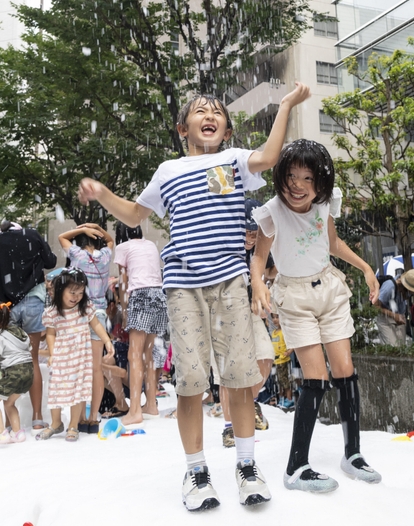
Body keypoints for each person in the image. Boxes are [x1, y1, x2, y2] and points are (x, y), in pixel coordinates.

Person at [78, 82, 310, 510]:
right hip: (183, 286)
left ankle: (246, 466)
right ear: (182, 128)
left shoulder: (234, 161)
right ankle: (197, 472)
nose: (210, 116)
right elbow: (134, 213)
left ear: (225, 130)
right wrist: (103, 194)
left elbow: (270, 156)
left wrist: (286, 106)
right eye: (200, 112)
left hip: (230, 283)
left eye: (217, 113)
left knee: (241, 380)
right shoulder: (167, 170)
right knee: (189, 383)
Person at [250, 139, 381, 494]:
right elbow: (260, 257)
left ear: (320, 183)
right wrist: (258, 285)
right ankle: (296, 466)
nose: (297, 184)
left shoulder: (326, 204)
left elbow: (333, 243)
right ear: (280, 177)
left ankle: (353, 454)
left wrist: (366, 268)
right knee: (316, 376)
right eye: (291, 175)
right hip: (293, 296)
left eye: (307, 178)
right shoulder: (273, 210)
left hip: (330, 290)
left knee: (344, 369)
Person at [217, 198, 275, 448]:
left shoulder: (260, 249)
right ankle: (230, 427)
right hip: (222, 313)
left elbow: (271, 271)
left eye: (255, 232)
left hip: (250, 314)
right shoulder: (222, 247)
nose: (251, 238)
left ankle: (249, 404)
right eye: (247, 232)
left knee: (265, 357)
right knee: (226, 372)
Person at [36, 268, 114, 442]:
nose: (76, 296)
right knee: (55, 389)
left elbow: (97, 326)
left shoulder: (84, 308)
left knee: (78, 392)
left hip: (80, 358)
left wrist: (107, 341)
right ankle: (56, 423)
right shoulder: (52, 312)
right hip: (61, 356)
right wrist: (52, 352)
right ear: (59, 290)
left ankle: (73, 425)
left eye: (80, 292)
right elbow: (50, 333)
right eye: (72, 292)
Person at [0, 220, 57, 436]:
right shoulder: (32, 235)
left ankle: (7, 420)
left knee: (7, 361)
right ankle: (37, 418)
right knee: (32, 359)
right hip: (33, 299)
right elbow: (51, 261)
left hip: (7, 306)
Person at [58, 223, 113, 433]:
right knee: (96, 369)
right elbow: (110, 240)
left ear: (80, 242)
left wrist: (82, 228)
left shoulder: (78, 256)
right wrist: (97, 228)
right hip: (99, 315)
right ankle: (93, 418)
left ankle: (79, 417)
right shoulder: (105, 256)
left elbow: (62, 237)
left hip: (81, 316)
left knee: (79, 368)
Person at [113, 221, 168, 426]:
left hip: (140, 295)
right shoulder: (150, 245)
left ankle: (135, 409)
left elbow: (124, 280)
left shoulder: (123, 247)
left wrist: (124, 310)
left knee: (134, 354)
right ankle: (151, 404)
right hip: (158, 295)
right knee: (148, 353)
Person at [0, 301, 34, 444]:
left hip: (13, 373)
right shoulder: (20, 331)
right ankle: (18, 433)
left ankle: (2, 434)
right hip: (28, 373)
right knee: (9, 403)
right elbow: (29, 347)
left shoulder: (1, 336)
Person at [375, 272, 414, 346]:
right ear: (404, 287)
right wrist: (394, 315)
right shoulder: (389, 287)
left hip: (399, 317)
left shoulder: (409, 282)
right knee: (393, 346)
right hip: (385, 318)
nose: (409, 296)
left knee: (401, 347)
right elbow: (375, 306)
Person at [270, 312, 294, 409]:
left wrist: (288, 352)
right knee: (279, 381)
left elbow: (292, 344)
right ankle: (282, 399)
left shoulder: (285, 332)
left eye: (277, 317)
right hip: (276, 360)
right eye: (273, 318)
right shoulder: (274, 333)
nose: (275, 319)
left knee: (285, 381)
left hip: (283, 360)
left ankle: (289, 399)